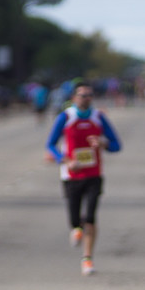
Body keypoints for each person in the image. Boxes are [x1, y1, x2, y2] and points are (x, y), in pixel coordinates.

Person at [45, 82, 122, 276]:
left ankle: (87, 259)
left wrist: (103, 143)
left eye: (89, 95)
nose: (86, 98)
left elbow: (116, 145)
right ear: (74, 98)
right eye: (82, 95)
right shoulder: (66, 117)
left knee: (90, 217)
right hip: (71, 175)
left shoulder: (99, 117)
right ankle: (76, 228)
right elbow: (50, 145)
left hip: (94, 174)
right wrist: (64, 160)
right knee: (74, 220)